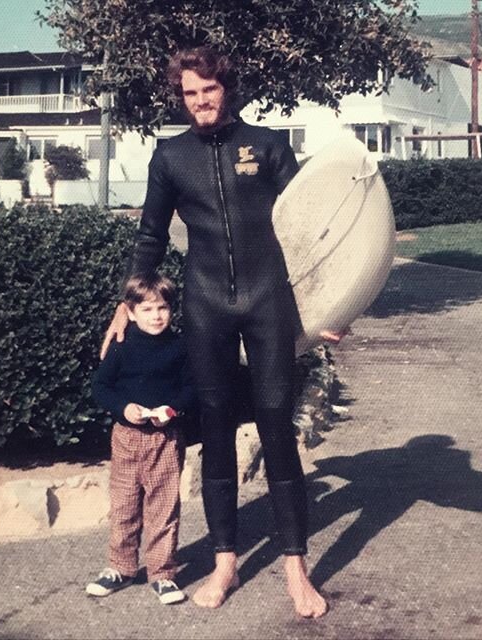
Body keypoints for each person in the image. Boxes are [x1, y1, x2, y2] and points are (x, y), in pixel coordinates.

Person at [101, 47, 344, 618]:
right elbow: (150, 239)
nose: (200, 100)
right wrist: (124, 302)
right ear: (180, 97)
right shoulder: (170, 158)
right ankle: (226, 562)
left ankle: (295, 566)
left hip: (268, 301)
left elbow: (312, 227)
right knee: (211, 427)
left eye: (207, 89)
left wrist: (334, 303)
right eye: (189, 92)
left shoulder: (268, 145)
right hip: (207, 303)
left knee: (276, 423)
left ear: (225, 89)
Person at [87, 274, 197, 605]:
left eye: (162, 308)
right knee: (124, 505)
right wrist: (123, 407)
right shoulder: (121, 346)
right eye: (147, 309)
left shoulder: (179, 347)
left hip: (165, 439)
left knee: (163, 508)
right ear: (131, 312)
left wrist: (173, 410)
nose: (156, 316)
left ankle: (162, 574)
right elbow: (100, 387)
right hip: (126, 437)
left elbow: (191, 388)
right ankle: (120, 567)